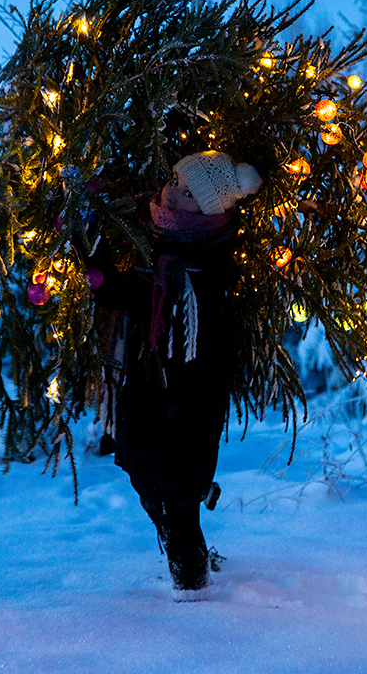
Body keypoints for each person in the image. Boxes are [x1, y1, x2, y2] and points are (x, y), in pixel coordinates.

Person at [86, 150, 261, 600]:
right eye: (174, 180)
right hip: (156, 405)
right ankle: (184, 565)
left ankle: (194, 601)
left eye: (186, 193)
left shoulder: (194, 271)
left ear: (206, 212)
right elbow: (115, 290)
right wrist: (87, 232)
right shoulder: (164, 248)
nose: (171, 191)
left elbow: (129, 297)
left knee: (179, 508)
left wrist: (174, 406)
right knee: (157, 497)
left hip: (181, 411)